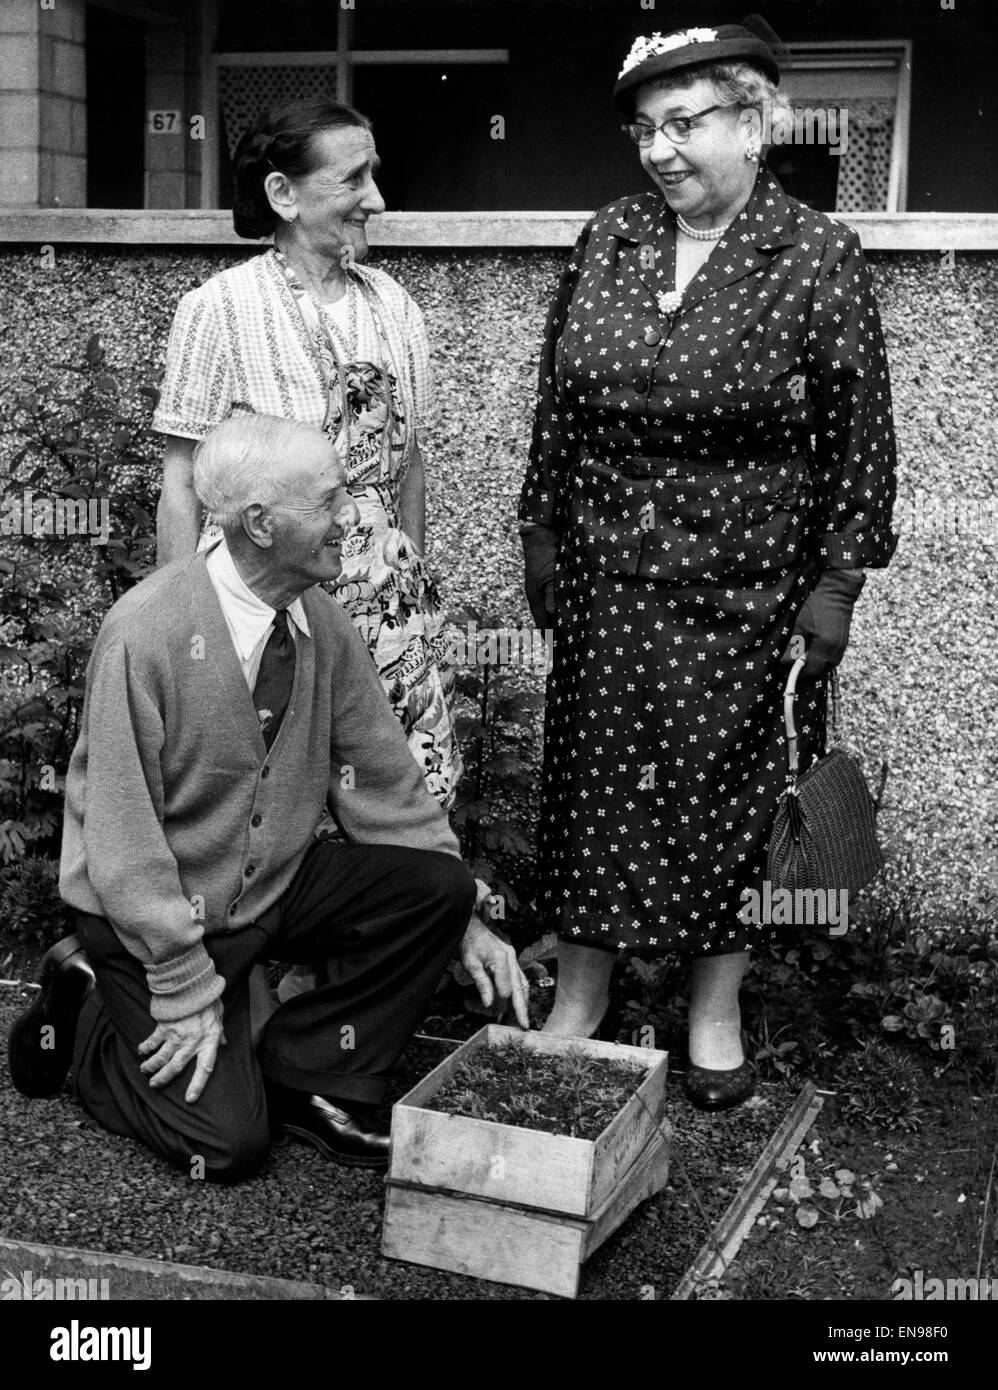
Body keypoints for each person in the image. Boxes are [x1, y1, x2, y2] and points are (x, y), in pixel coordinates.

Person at [519, 20, 897, 1110]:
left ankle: (711, 1012)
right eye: (645, 128)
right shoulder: (610, 236)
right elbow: (558, 403)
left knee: (721, 790)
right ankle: (580, 995)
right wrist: (540, 529)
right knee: (591, 783)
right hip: (602, 573)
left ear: (752, 120)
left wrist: (834, 584)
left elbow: (856, 437)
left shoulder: (813, 251)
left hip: (743, 584)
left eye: (684, 124)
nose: (660, 150)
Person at [8, 416, 527, 1179]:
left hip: (267, 891)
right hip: (151, 914)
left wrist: (465, 922)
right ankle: (86, 1009)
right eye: (329, 499)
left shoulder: (320, 623)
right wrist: (183, 984)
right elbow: (120, 837)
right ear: (260, 522)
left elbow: (384, 779)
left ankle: (307, 1072)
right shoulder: (146, 633)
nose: (349, 515)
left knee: (434, 887)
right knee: (224, 1147)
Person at [152, 97, 460, 808]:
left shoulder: (395, 307)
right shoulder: (218, 308)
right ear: (283, 195)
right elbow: (181, 483)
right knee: (273, 798)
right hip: (262, 607)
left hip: (384, 616)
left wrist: (407, 583)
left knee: (398, 794)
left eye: (373, 176)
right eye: (352, 180)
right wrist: (180, 631)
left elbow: (409, 462)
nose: (375, 200)